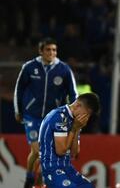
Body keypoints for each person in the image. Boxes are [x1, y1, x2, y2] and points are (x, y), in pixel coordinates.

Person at [13, 37, 78, 188]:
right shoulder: (29, 67)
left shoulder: (64, 69)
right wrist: (18, 110)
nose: (51, 53)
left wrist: (72, 113)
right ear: (41, 51)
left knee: (48, 154)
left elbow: (73, 94)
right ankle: (30, 178)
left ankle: (40, 183)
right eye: (48, 50)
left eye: (54, 50)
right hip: (32, 115)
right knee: (36, 151)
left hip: (53, 117)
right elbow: (19, 89)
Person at [38, 92, 100, 188]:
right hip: (52, 168)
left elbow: (74, 153)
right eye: (86, 113)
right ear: (78, 105)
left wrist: (77, 129)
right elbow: (61, 151)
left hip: (67, 167)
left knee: (88, 186)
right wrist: (74, 129)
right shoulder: (59, 117)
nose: (86, 118)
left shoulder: (75, 121)